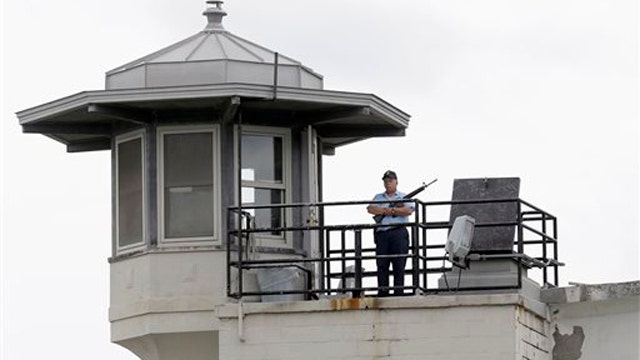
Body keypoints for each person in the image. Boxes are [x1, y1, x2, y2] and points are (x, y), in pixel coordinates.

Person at [367, 170, 415, 297]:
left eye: (390, 181)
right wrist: (385, 210)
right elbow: (370, 208)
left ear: (396, 182)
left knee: (399, 264)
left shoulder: (403, 196)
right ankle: (383, 291)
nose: (388, 184)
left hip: (398, 232)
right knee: (382, 264)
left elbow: (408, 210)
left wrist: (391, 210)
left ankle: (398, 292)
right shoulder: (378, 197)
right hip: (382, 234)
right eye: (386, 181)